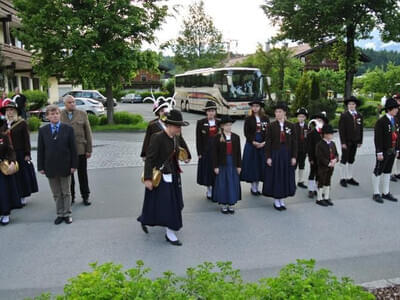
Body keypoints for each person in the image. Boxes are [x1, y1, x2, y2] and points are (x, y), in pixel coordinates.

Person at [137, 109, 191, 246]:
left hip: (173, 174)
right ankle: (170, 233)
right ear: (170, 125)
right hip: (161, 176)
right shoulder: (157, 137)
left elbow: (182, 149)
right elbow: (149, 159)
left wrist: (187, 157)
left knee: (172, 203)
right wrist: (148, 178)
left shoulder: (176, 137)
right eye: (177, 126)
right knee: (167, 205)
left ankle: (145, 219)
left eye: (180, 126)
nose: (179, 129)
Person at [37, 105, 78, 224]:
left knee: (66, 192)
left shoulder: (68, 129)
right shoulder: (43, 131)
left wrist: (73, 165)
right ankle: (60, 213)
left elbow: (73, 149)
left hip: (65, 165)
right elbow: (41, 150)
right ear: (47, 116)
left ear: (59, 115)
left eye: (56, 113)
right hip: (50, 166)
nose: (54, 116)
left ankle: (67, 213)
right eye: (51, 114)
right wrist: (40, 166)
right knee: (56, 193)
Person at [0, 102, 38, 206]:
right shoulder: (3, 125)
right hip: (8, 154)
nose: (9, 112)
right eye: (7, 110)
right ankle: (13, 197)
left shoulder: (22, 123)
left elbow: (26, 139)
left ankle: (23, 196)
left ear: (16, 112)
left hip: (20, 153)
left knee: (21, 175)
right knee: (11, 176)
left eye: (12, 110)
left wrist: (27, 153)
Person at [262, 102, 297, 211]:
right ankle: (276, 199)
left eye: (280, 111)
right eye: (276, 112)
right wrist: (268, 157)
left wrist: (294, 156)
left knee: (284, 175)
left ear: (284, 113)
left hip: (286, 154)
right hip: (276, 153)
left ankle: (282, 198)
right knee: (276, 176)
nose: (278, 114)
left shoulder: (290, 125)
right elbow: (268, 142)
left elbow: (294, 142)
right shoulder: (271, 126)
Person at [60, 95, 93, 205]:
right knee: (69, 176)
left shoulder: (82, 114)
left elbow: (88, 132)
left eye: (73, 102)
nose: (72, 104)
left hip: (80, 149)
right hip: (66, 151)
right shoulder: (60, 115)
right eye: (70, 102)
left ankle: (85, 196)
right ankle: (71, 196)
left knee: (82, 175)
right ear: (65, 104)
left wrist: (89, 149)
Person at [372, 97, 399, 203]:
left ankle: (386, 192)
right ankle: (376, 193)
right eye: (395, 108)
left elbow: (397, 136)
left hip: (392, 150)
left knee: (388, 171)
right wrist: (379, 151)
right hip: (383, 150)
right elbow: (378, 138)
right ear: (389, 109)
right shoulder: (381, 122)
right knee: (378, 170)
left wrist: (397, 149)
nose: (397, 110)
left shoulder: (395, 121)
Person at [212, 115, 242, 214]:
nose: (229, 127)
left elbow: (238, 153)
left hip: (232, 164)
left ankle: (231, 204)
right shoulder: (218, 138)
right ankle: (224, 204)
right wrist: (215, 166)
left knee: (232, 183)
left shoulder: (236, 137)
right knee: (223, 184)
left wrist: (239, 166)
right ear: (222, 126)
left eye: (230, 125)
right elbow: (215, 153)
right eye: (227, 125)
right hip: (222, 164)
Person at [241, 100, 269, 195]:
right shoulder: (248, 119)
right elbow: (246, 132)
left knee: (261, 165)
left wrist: (264, 142)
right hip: (252, 143)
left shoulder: (265, 118)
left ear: (260, 107)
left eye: (257, 106)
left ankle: (257, 186)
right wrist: (253, 141)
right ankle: (253, 187)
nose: (255, 108)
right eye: (253, 106)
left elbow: (268, 132)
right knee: (253, 165)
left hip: (262, 143)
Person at [196, 101, 220, 199]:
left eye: (213, 111)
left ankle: (216, 188)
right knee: (207, 171)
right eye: (209, 111)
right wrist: (199, 152)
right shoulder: (201, 123)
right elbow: (198, 139)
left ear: (215, 112)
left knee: (216, 170)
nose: (211, 113)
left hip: (217, 151)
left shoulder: (219, 123)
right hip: (206, 151)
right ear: (206, 112)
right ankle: (209, 189)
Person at [338, 96, 363, 187]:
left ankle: (349, 177)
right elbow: (341, 130)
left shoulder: (359, 115)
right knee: (344, 159)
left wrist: (360, 140)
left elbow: (361, 129)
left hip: (355, 141)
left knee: (351, 159)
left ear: (355, 105)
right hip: (346, 141)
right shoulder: (344, 115)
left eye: (353, 104)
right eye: (349, 104)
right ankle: (342, 178)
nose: (351, 106)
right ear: (347, 105)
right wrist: (343, 142)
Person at [0, 119, 20, 225]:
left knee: (3, 192)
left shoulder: (3, 137)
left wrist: (12, 161)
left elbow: (10, 150)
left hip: (2, 167)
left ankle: (5, 213)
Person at [315, 124, 339, 206]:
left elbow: (336, 154)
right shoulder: (320, 144)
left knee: (328, 181)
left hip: (331, 166)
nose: (331, 135)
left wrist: (335, 160)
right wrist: (328, 163)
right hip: (323, 167)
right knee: (321, 181)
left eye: (332, 134)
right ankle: (319, 198)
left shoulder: (333, 143)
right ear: (325, 134)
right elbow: (320, 157)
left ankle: (326, 197)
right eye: (330, 134)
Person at [306, 112, 328, 199]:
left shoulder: (325, 133)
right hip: (314, 157)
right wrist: (310, 158)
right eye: (317, 120)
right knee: (313, 172)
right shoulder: (311, 133)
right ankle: (311, 189)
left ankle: (317, 188)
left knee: (320, 173)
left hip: (322, 158)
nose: (319, 121)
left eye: (321, 120)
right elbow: (309, 147)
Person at [294, 107, 309, 189]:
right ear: (297, 117)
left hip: (303, 150)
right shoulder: (294, 126)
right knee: (294, 165)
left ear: (305, 118)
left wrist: (307, 151)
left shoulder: (308, 127)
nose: (301, 118)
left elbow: (308, 140)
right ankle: (292, 181)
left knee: (302, 165)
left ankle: (300, 181)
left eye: (303, 116)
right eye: (299, 116)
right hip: (295, 150)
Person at [391, 93, 400, 181]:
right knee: (393, 154)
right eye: (398, 100)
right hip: (394, 135)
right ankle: (390, 173)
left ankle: (397, 172)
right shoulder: (393, 110)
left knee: (399, 155)